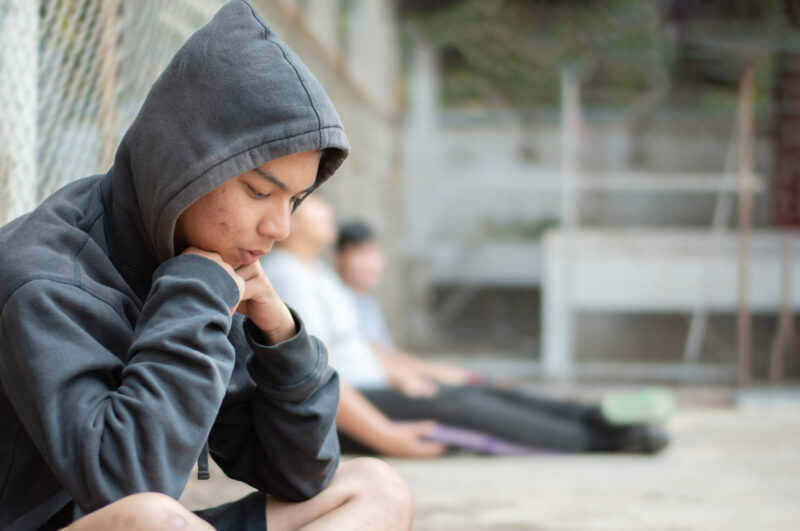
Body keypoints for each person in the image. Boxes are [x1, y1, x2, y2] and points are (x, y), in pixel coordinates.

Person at [0, 2, 414, 530]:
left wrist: (280, 339)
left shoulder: (199, 259)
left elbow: (298, 477)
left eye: (294, 200)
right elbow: (126, 487)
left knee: (374, 487)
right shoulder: (43, 276)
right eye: (260, 191)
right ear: (188, 164)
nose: (279, 228)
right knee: (152, 518)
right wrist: (194, 293)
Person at [262, 198, 673, 459]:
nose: (325, 208)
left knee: (474, 389)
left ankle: (593, 415)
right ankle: (606, 440)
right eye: (312, 201)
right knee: (464, 410)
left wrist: (413, 373)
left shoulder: (316, 274)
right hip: (346, 409)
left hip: (369, 389)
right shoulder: (288, 276)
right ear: (288, 218)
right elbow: (309, 378)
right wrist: (388, 437)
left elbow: (363, 349)